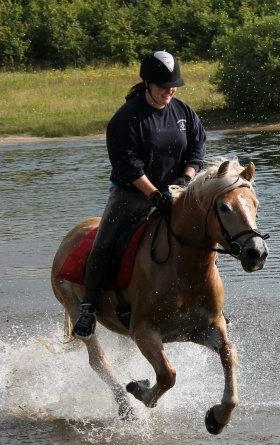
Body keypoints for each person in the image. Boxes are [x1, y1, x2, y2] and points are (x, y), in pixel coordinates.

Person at [73, 50, 207, 339]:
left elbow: (198, 147)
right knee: (105, 244)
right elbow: (128, 164)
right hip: (131, 195)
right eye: (163, 87)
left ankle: (206, 304)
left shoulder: (183, 112)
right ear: (147, 83)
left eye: (173, 86)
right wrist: (154, 193)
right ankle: (88, 307)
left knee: (203, 237)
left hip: (177, 191)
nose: (169, 91)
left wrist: (186, 178)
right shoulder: (128, 118)